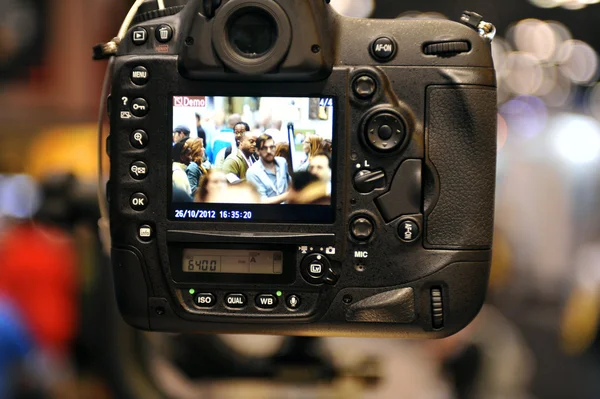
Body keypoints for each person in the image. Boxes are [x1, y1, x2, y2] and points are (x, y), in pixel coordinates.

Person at [246, 134, 291, 204]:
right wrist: (287, 195)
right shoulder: (252, 172)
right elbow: (261, 201)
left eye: (272, 147)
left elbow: (289, 184)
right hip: (267, 212)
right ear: (257, 151)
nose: (269, 151)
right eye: (264, 148)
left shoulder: (282, 162)